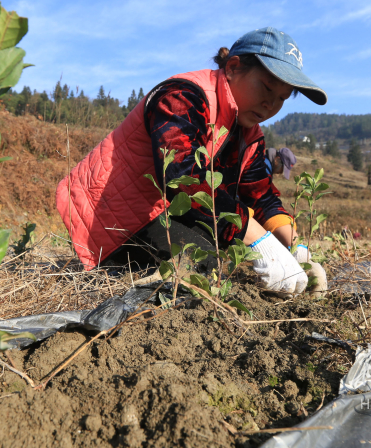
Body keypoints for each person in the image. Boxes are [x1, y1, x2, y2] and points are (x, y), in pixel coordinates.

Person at [57, 28, 327, 295]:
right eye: (266, 88)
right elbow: (181, 177)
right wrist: (259, 240)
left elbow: (261, 195)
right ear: (232, 68)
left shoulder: (250, 134)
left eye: (281, 98)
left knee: (226, 258)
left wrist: (294, 250)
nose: (270, 104)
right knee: (202, 265)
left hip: (164, 211)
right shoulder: (183, 97)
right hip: (117, 216)